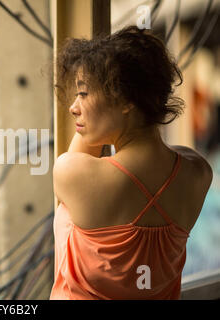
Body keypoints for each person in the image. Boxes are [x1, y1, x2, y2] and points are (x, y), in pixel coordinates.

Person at [50, 26, 213, 300]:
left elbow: (84, 148)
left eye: (84, 93)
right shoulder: (198, 172)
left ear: (126, 99)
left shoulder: (74, 173)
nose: (73, 107)